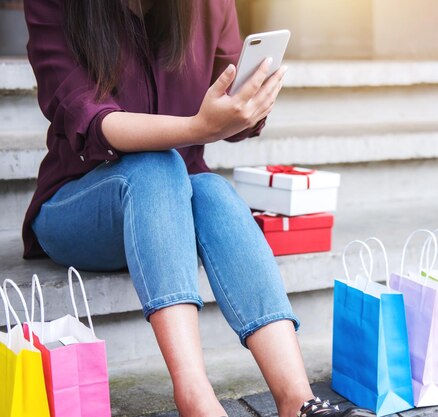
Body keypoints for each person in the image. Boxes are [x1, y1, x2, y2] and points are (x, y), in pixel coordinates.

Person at [21, 1, 375, 417]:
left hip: (177, 207)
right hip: (79, 208)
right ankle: (196, 399)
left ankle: (297, 401)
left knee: (212, 190)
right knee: (158, 164)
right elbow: (90, 121)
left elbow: (227, 102)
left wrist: (246, 107)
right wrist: (198, 128)